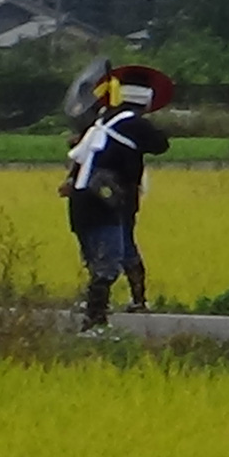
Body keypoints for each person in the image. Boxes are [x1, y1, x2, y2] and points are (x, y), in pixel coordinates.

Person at [61, 65, 170, 331]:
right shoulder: (135, 125)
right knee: (111, 260)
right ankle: (95, 321)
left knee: (97, 256)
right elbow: (161, 145)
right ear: (146, 100)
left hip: (82, 198)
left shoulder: (100, 121)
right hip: (110, 201)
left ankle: (97, 313)